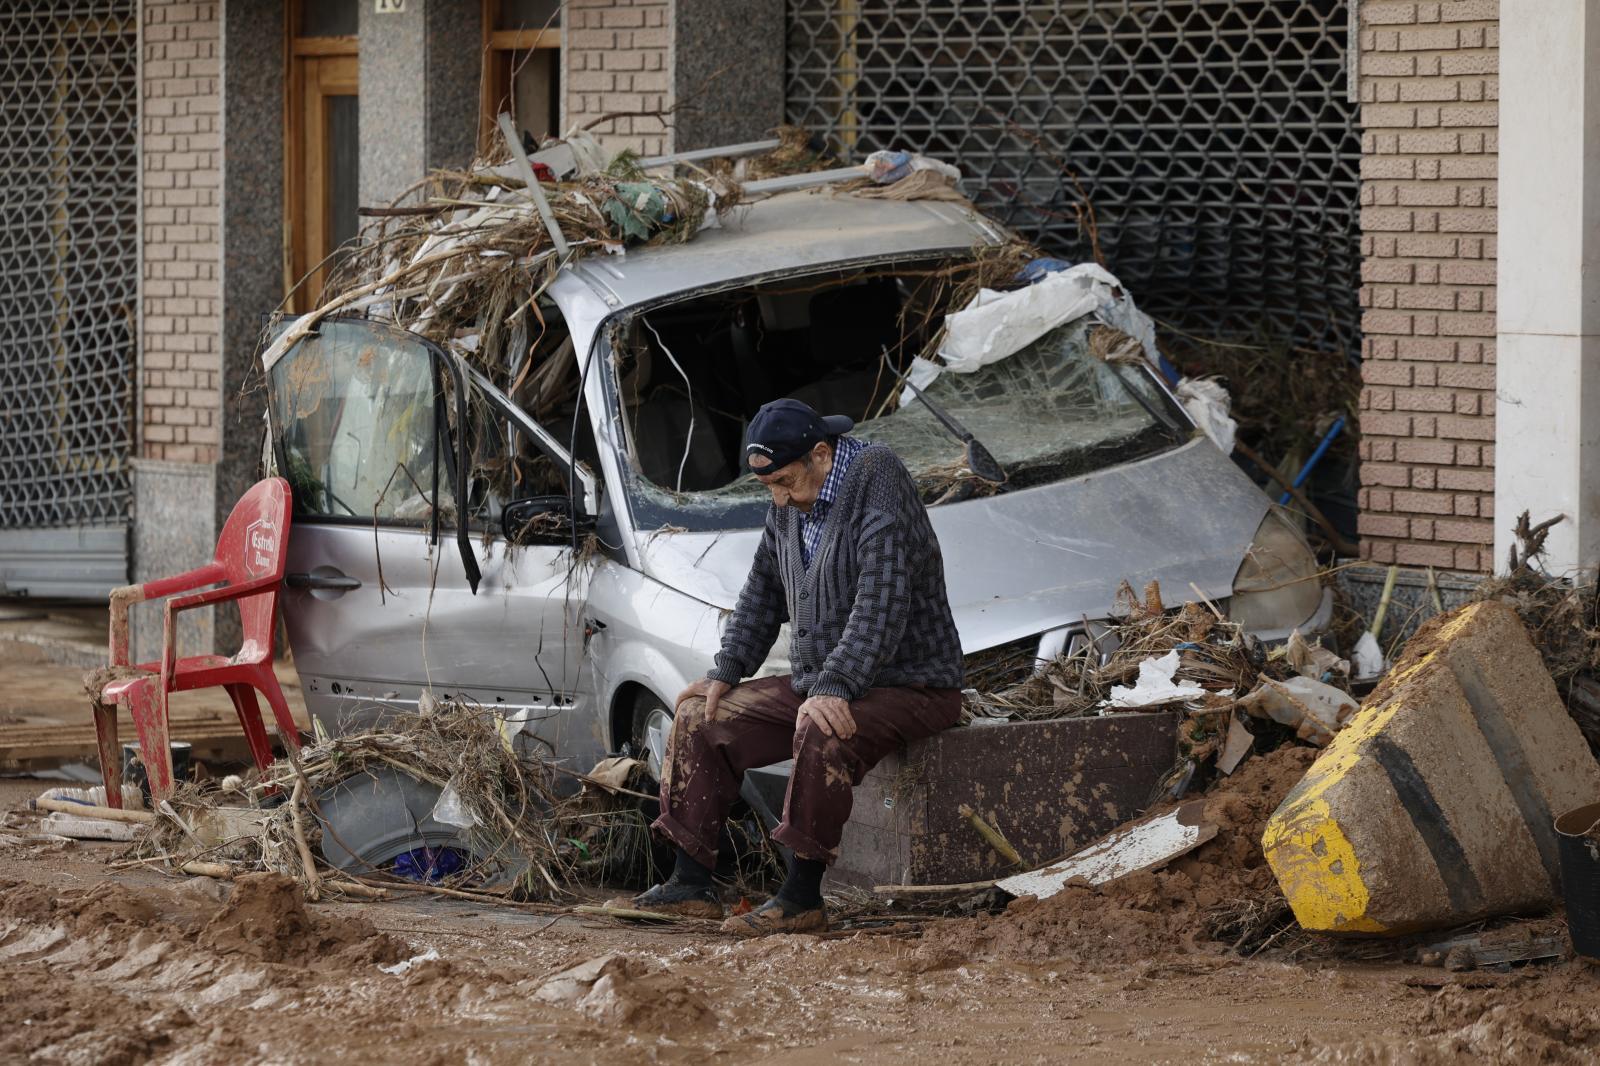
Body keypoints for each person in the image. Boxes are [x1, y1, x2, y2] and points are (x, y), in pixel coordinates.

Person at [625, 397, 966, 936]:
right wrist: (726, 670)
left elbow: (883, 596)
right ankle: (691, 884)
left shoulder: (878, 478)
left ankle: (803, 896)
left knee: (821, 724)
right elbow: (762, 590)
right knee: (700, 716)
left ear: (822, 455)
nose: (780, 498)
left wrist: (835, 684)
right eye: (770, 488)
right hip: (828, 683)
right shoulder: (788, 504)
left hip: (912, 684)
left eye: (786, 481)